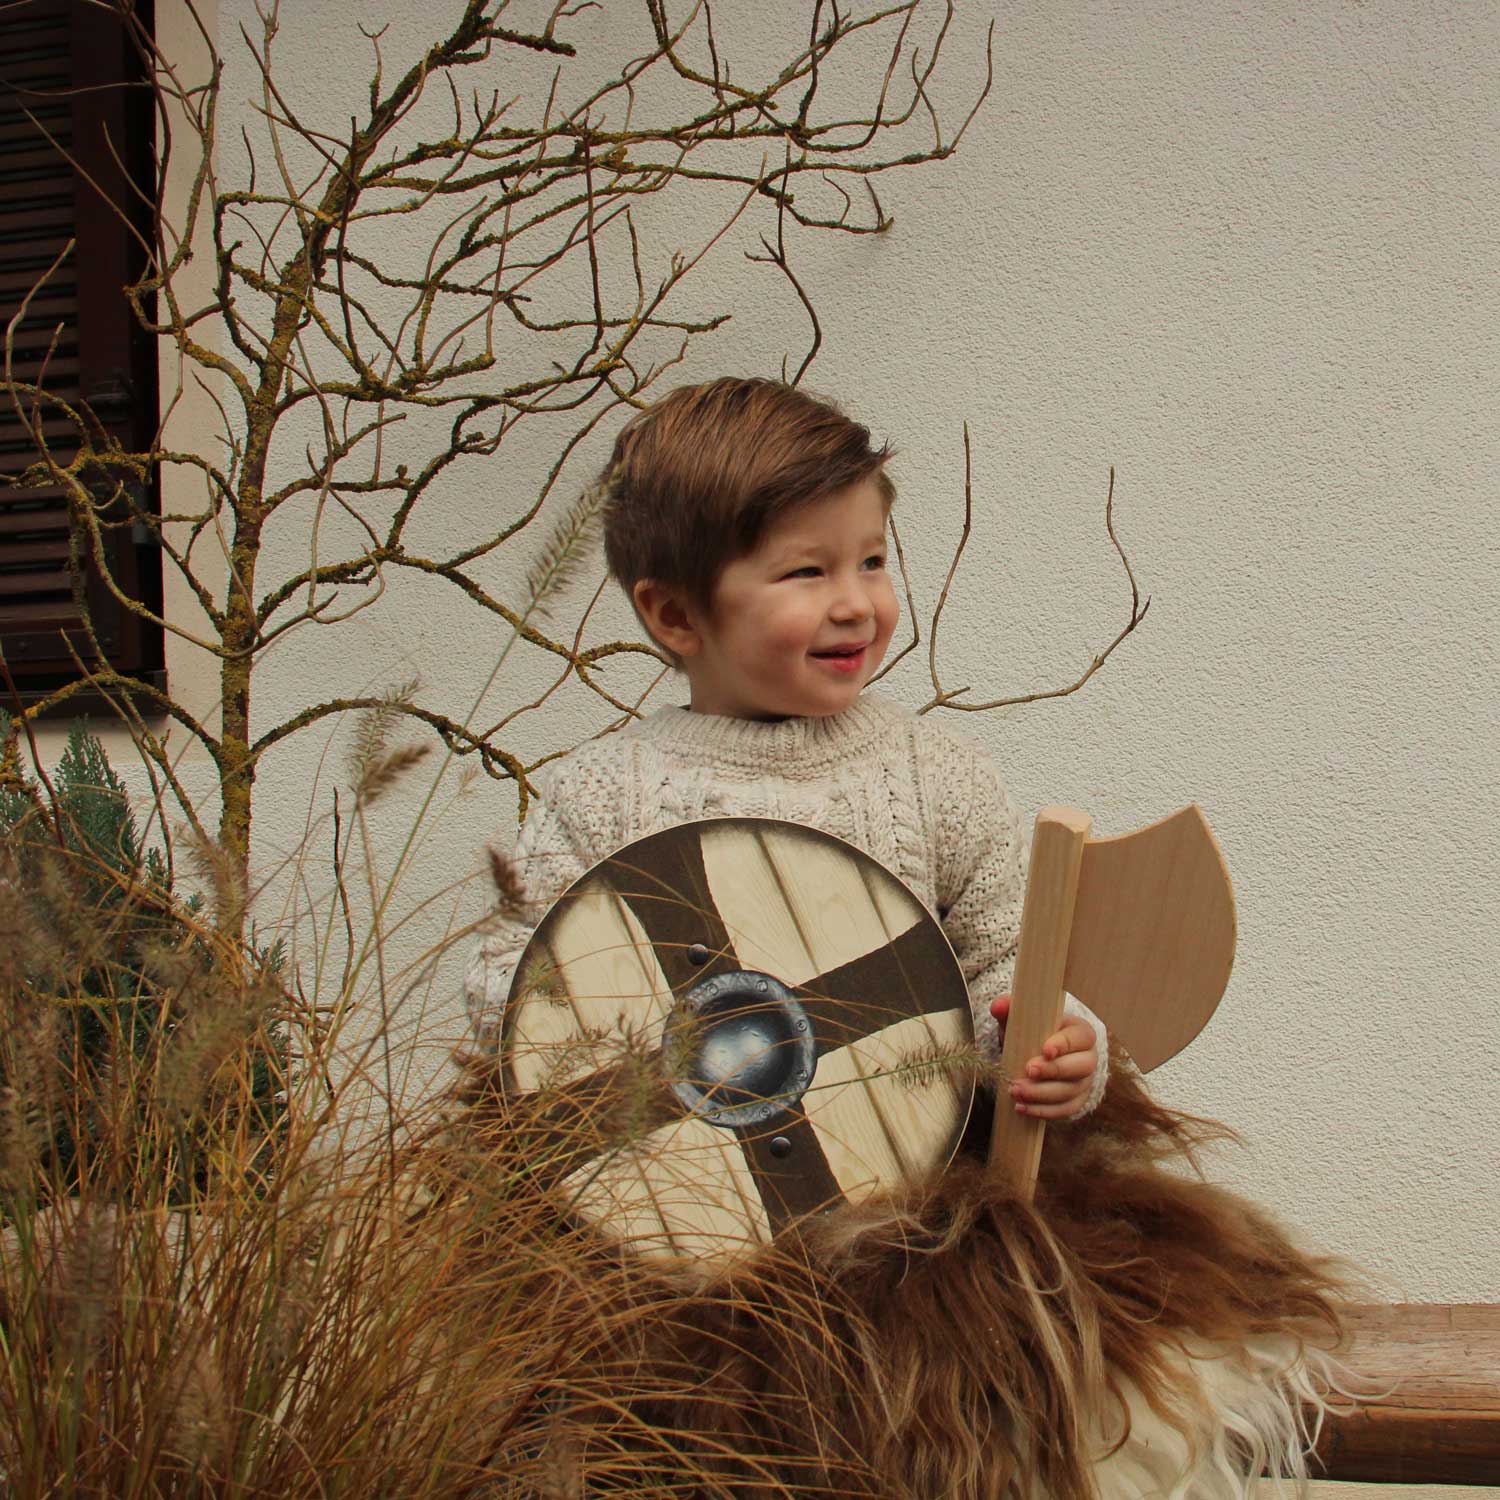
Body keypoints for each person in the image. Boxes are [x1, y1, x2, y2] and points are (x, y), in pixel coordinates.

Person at [464, 376, 1108, 1121]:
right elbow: (510, 983)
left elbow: (1009, 967)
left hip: (911, 1196)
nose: (856, 604)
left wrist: (1058, 1049)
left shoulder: (939, 778)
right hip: (683, 1201)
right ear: (675, 614)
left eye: (871, 561)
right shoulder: (603, 794)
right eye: (809, 571)